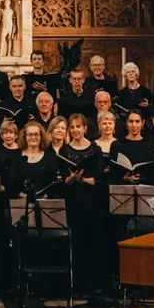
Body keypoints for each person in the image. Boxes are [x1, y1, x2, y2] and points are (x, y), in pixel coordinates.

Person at [60, 114, 105, 296]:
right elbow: (65, 181)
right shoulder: (64, 151)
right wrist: (71, 178)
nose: (75, 130)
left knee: (94, 242)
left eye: (79, 126)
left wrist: (85, 179)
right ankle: (77, 285)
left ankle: (94, 285)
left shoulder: (95, 149)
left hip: (92, 201)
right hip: (74, 201)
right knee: (76, 243)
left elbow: (101, 178)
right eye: (72, 127)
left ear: (85, 128)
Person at [12, 120, 59, 198]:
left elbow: (53, 183)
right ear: (25, 137)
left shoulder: (49, 157)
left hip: (44, 203)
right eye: (30, 134)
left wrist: (45, 196)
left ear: (41, 136)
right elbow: (12, 183)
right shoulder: (17, 157)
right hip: (22, 203)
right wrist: (23, 196)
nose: (33, 137)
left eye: (36, 134)